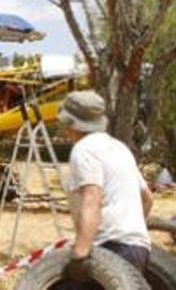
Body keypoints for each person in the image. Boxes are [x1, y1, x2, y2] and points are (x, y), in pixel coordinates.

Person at [58, 90, 153, 285]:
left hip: (111, 248)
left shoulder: (83, 150)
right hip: (139, 248)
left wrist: (81, 251)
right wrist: (129, 227)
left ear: (71, 124)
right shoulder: (119, 148)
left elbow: (92, 197)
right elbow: (147, 198)